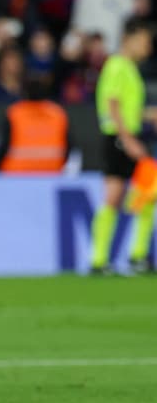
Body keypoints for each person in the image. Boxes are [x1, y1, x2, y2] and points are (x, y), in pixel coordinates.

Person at [89, 17, 156, 274]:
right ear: (129, 39)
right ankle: (99, 259)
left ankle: (137, 255)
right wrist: (128, 139)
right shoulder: (117, 64)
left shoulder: (128, 67)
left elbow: (129, 109)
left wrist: (150, 115)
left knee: (147, 196)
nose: (148, 48)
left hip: (126, 136)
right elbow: (112, 105)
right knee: (115, 197)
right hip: (118, 139)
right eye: (145, 42)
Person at [0, 74, 75, 174]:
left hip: (15, 178)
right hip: (51, 176)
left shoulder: (14, 113)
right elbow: (72, 151)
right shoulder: (58, 114)